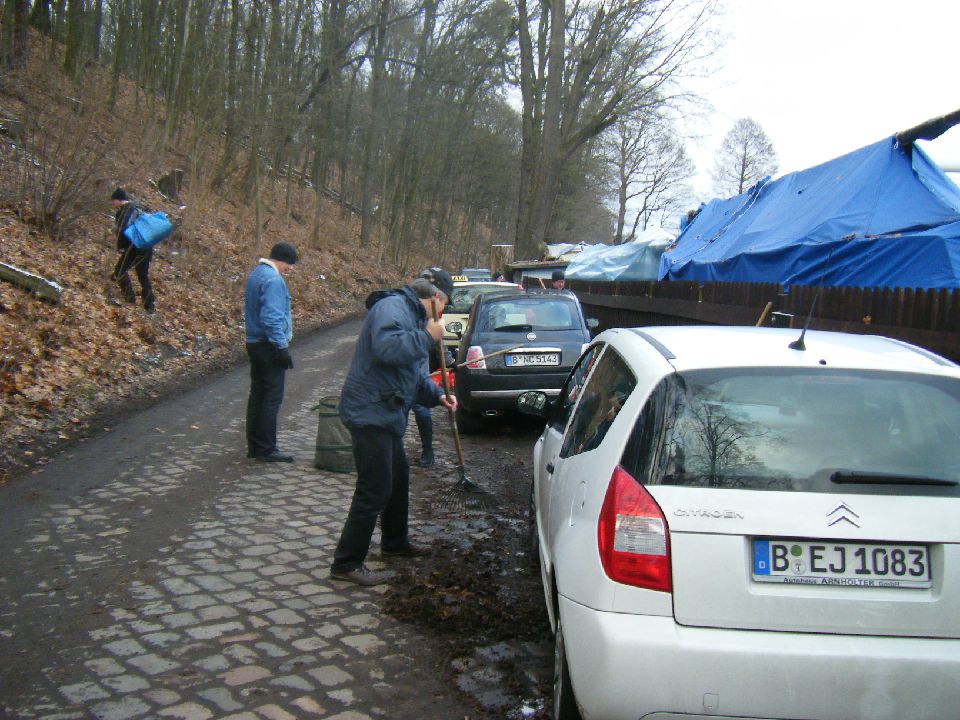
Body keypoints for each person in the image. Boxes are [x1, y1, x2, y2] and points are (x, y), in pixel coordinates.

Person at [330, 278, 455, 586]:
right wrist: (427, 336)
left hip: (386, 411)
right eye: (445, 304)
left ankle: (395, 543)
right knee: (374, 488)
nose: (442, 313)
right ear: (436, 297)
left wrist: (438, 395)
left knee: (397, 479)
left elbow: (411, 375)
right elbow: (387, 349)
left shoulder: (411, 316)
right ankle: (346, 563)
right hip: (370, 410)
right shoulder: (392, 308)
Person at [244, 242, 298, 463]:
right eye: (289, 264)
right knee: (271, 398)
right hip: (268, 346)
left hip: (254, 343)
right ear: (280, 260)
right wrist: (281, 347)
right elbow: (272, 318)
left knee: (257, 395)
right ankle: (267, 448)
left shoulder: (257, 274)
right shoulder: (273, 280)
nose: (290, 269)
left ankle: (254, 445)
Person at [411, 267, 454, 468]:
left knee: (421, 409)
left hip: (420, 370)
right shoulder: (412, 309)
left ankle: (428, 450)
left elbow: (439, 341)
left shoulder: (430, 313)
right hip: (406, 372)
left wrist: (450, 362)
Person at [110, 187, 156, 313]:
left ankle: (130, 298)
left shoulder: (124, 212)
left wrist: (120, 246)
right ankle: (149, 305)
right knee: (142, 275)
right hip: (146, 246)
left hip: (134, 247)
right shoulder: (136, 209)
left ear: (118, 200)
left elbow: (123, 232)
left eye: (113, 200)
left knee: (119, 270)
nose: (112, 203)